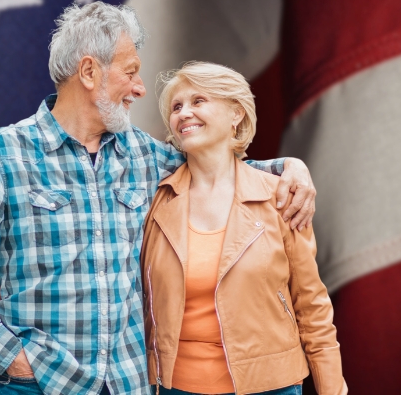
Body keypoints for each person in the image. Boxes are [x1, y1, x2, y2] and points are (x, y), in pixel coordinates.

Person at [0, 1, 318, 395]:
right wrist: (10, 357)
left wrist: (289, 168)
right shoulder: (5, 155)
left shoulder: (144, 155)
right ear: (90, 72)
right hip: (37, 384)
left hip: (127, 383)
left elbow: (218, 166)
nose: (140, 89)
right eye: (131, 73)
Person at [139, 62, 346, 395]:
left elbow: (312, 307)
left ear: (235, 113)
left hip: (270, 386)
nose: (184, 113)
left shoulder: (280, 197)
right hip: (175, 387)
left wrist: (332, 390)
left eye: (198, 101)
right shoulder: (155, 201)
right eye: (177, 107)